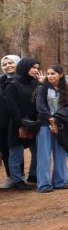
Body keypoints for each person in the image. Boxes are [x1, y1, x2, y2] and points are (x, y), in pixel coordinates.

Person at [34, 64, 68, 193]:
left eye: (53, 74)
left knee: (60, 154)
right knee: (44, 155)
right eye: (49, 74)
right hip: (45, 125)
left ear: (61, 75)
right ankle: (44, 184)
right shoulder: (42, 88)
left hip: (61, 125)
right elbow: (40, 106)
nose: (50, 76)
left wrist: (57, 119)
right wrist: (51, 119)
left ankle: (60, 181)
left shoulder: (66, 89)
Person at [3, 58, 42, 190]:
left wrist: (42, 83)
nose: (35, 70)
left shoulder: (35, 83)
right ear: (25, 67)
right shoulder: (12, 85)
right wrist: (21, 125)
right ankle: (17, 180)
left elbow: (37, 103)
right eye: (33, 67)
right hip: (16, 124)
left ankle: (33, 175)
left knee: (37, 150)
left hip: (33, 123)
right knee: (16, 153)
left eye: (37, 67)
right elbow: (12, 108)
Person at [0, 54, 20, 188]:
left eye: (11, 63)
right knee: (5, 148)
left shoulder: (25, 79)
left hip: (19, 120)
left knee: (17, 148)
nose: (8, 66)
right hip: (2, 121)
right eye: (5, 64)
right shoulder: (1, 81)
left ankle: (24, 175)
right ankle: (10, 177)